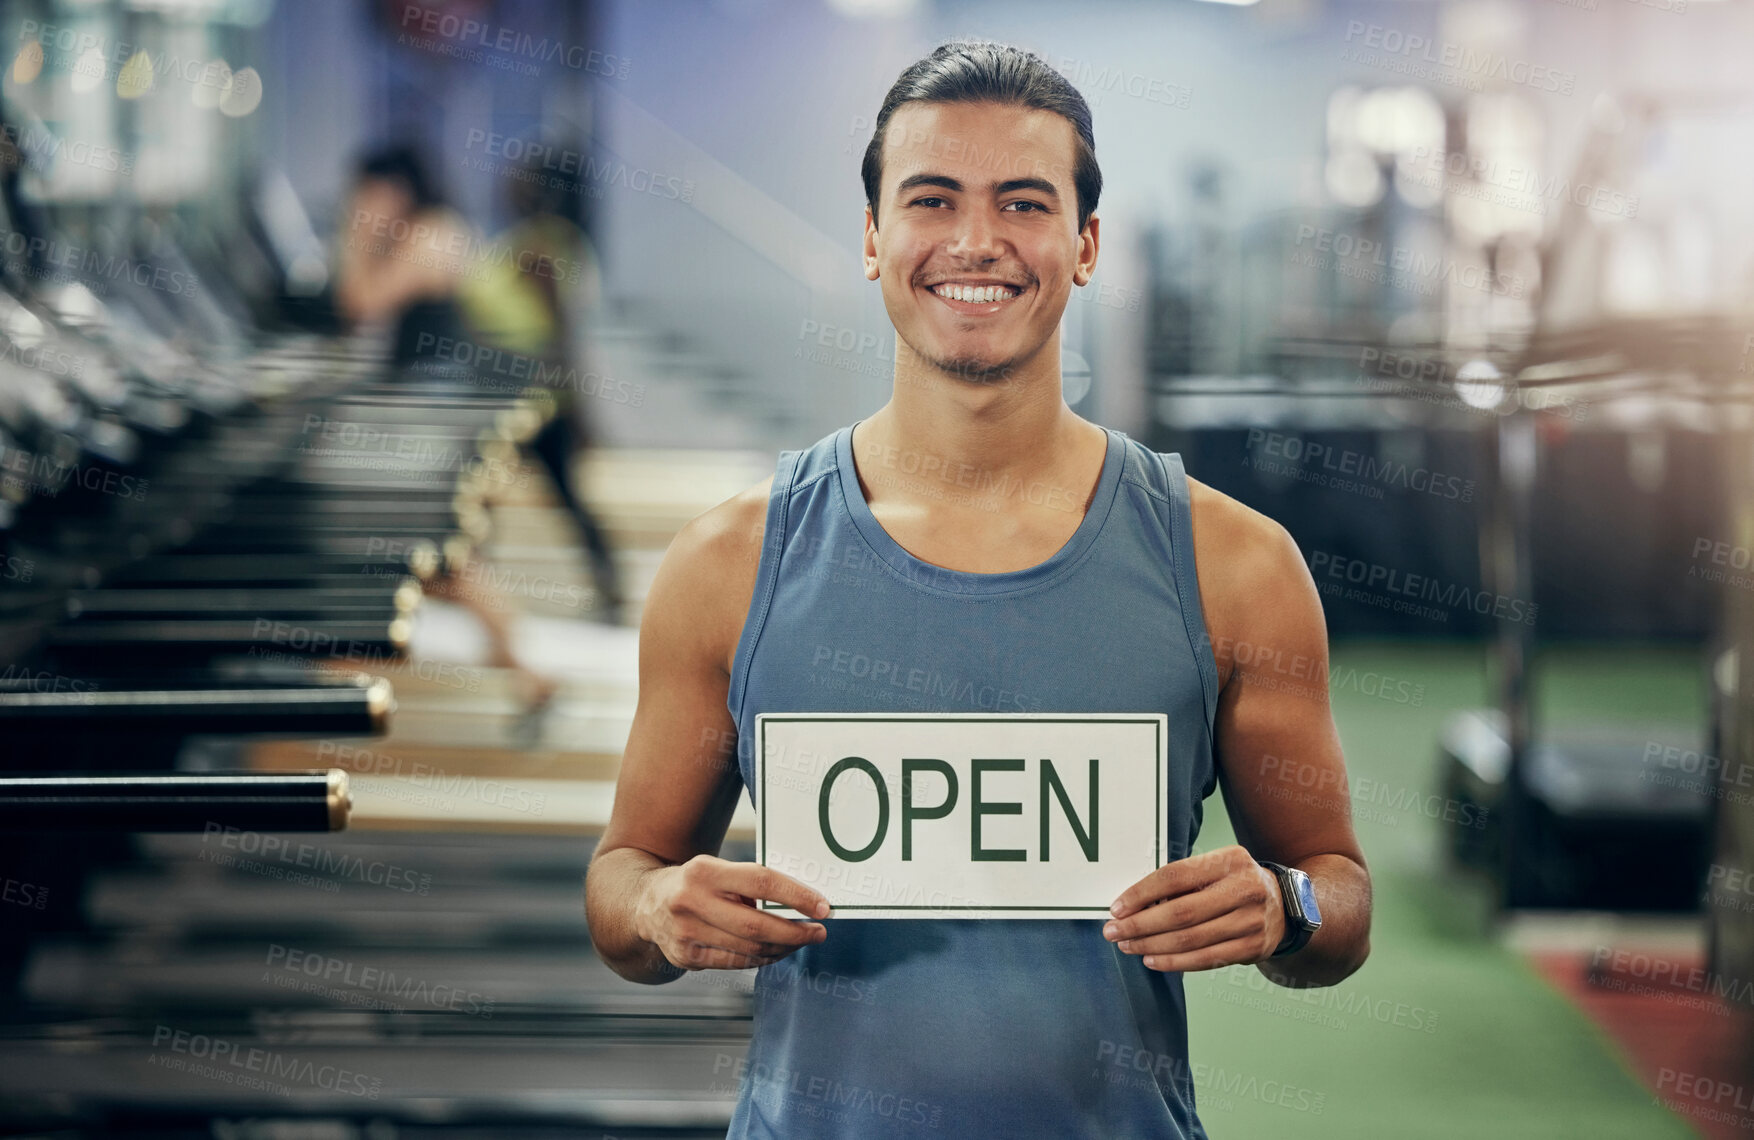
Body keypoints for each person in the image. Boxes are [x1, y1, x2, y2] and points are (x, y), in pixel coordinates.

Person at [584, 39, 1371, 1139]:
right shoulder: (728, 565)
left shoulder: (1234, 565)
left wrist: (1285, 906)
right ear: (870, 237)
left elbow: (1340, 898)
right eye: (931, 199)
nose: (974, 241)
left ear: (1084, 243)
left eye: (1022, 202)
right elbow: (621, 884)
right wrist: (658, 908)